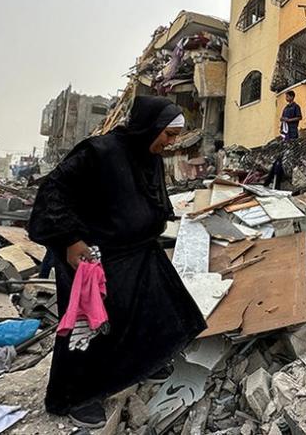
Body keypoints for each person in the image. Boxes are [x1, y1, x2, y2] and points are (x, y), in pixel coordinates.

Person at [27, 96, 206, 428]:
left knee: (156, 309)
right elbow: (52, 192)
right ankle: (76, 397)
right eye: (167, 135)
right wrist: (69, 239)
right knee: (92, 327)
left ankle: (143, 363)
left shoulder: (147, 155)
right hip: (93, 258)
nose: (171, 144)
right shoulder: (99, 152)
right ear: (149, 127)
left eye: (173, 136)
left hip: (137, 253)